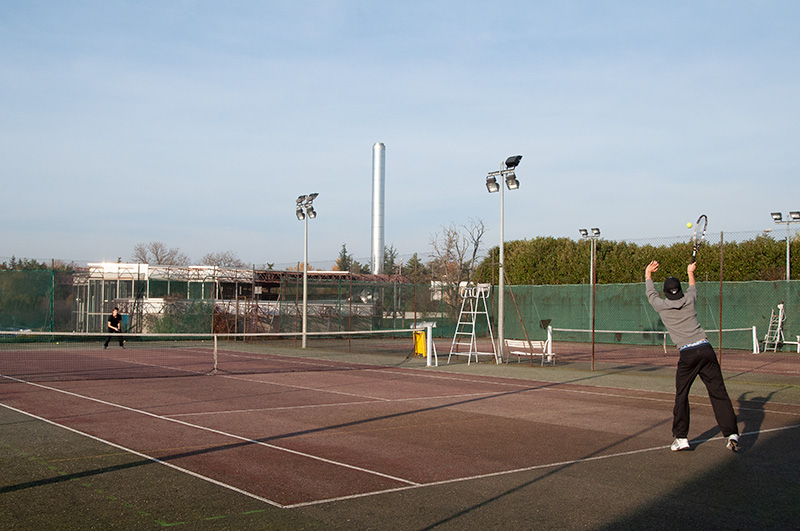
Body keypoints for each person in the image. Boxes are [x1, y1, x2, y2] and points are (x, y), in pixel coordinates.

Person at [644, 260, 739, 452]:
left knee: (682, 395)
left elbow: (650, 294)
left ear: (665, 293)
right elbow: (693, 287)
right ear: (679, 290)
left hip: (687, 354)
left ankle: (681, 438)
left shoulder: (661, 306)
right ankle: (731, 433)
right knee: (719, 393)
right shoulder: (689, 299)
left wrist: (648, 275)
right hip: (706, 349)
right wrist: (690, 272)